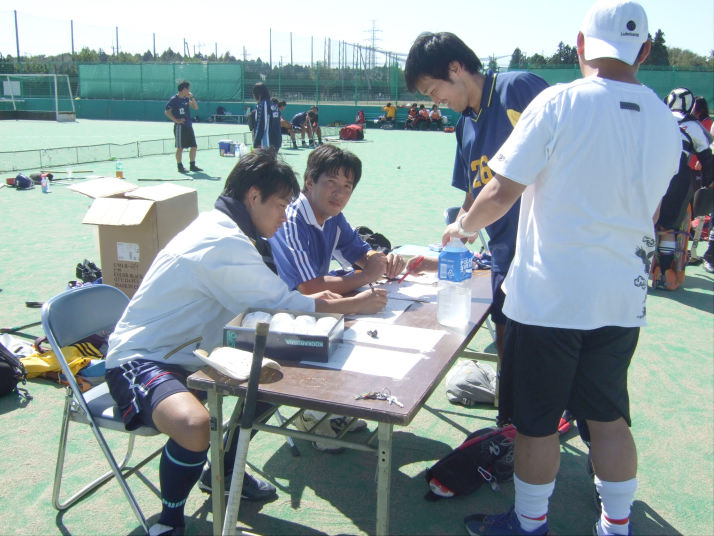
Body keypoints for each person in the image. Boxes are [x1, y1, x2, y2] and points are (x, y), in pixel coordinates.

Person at [440, 2, 682, 534]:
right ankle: (616, 526)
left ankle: (530, 525)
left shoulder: (559, 101)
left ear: (580, 44)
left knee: (537, 424)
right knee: (609, 419)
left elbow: (501, 191)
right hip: (621, 299)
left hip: (548, 299)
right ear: (644, 51)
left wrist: (463, 227)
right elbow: (655, 211)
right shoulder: (667, 121)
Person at [104, 148, 387, 536]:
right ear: (254, 196)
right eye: (281, 205)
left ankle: (224, 466)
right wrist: (355, 303)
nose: (285, 216)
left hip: (197, 353)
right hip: (143, 359)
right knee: (194, 425)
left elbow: (277, 299)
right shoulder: (222, 240)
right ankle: (169, 520)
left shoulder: (232, 231)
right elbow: (283, 301)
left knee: (275, 379)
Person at [404, 32, 548, 358]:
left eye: (433, 90)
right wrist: (455, 235)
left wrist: (465, 224)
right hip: (504, 261)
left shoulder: (518, 90)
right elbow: (473, 192)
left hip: (545, 261)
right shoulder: (464, 126)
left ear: (455, 69)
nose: (435, 101)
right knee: (509, 363)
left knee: (545, 366)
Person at [269, 144, 406, 296]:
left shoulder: (333, 216)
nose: (340, 193)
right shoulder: (290, 221)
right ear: (310, 182)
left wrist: (381, 261)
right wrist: (367, 275)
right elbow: (308, 288)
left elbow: (359, 251)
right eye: (331, 182)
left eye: (347, 186)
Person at [652, 88, 714, 289]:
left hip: (651, 173)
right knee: (668, 227)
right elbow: (706, 157)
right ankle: (665, 272)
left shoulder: (656, 118)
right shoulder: (693, 126)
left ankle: (641, 270)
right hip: (678, 177)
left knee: (645, 222)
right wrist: (709, 183)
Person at [165, 80, 202, 173]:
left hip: (189, 126)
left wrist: (192, 97)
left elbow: (196, 107)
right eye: (188, 89)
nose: (189, 90)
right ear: (184, 89)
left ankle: (192, 165)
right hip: (180, 127)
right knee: (180, 147)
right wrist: (176, 120)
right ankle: (180, 166)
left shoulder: (186, 99)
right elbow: (167, 112)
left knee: (194, 146)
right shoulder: (174, 99)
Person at [252, 82, 281, 151]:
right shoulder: (273, 105)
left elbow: (262, 124)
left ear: (258, 94)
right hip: (276, 140)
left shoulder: (263, 103)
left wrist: (256, 143)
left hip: (267, 143)